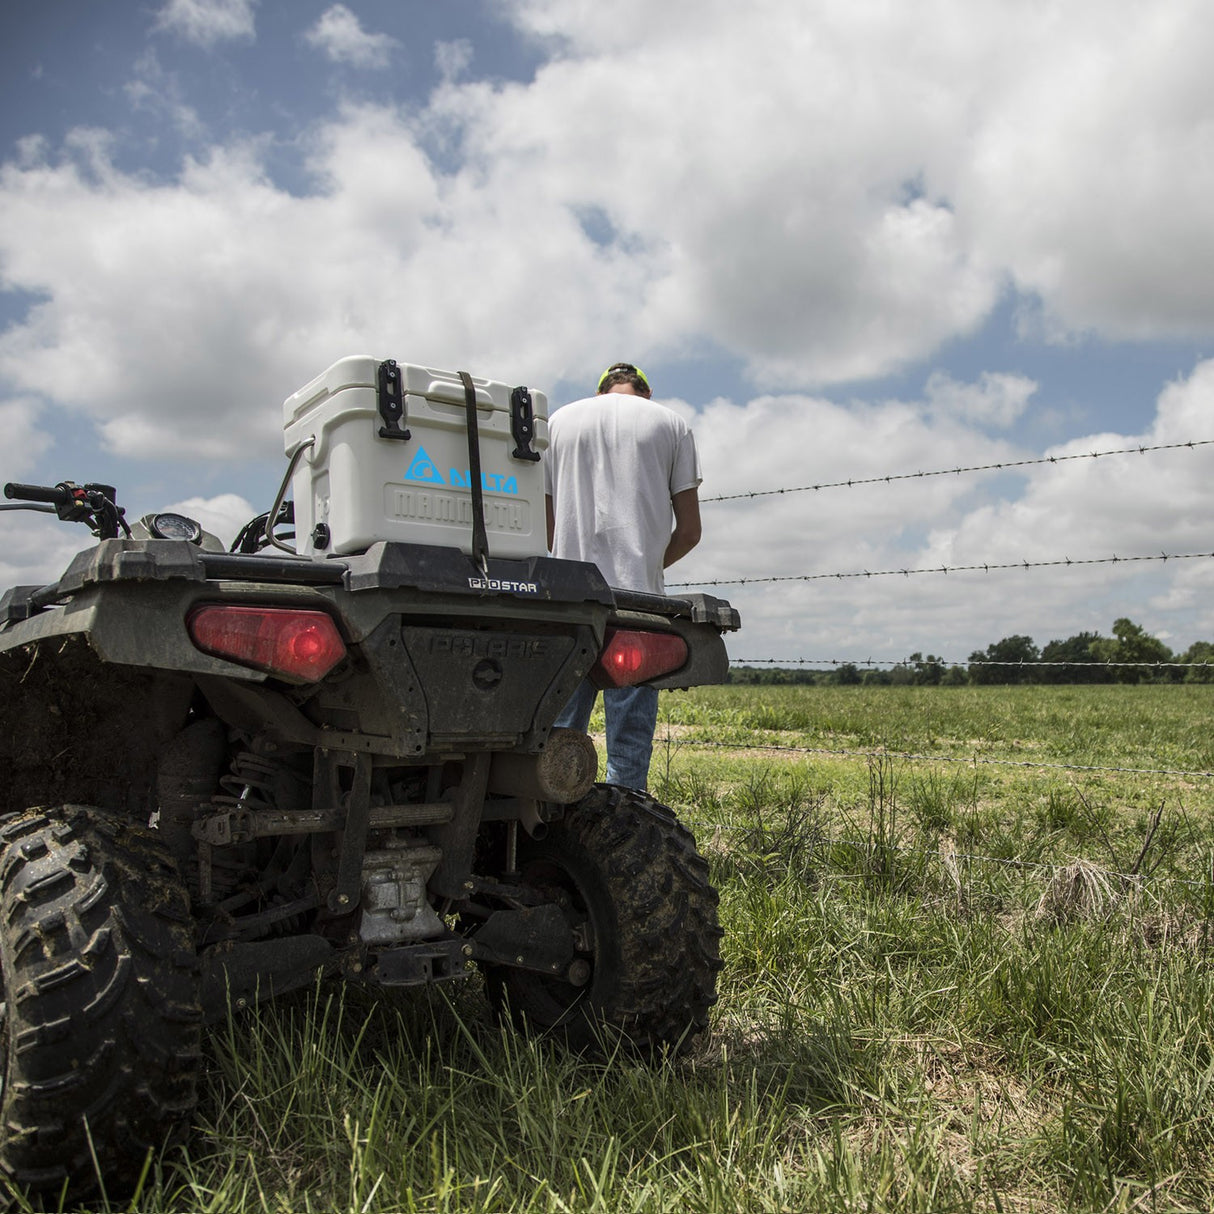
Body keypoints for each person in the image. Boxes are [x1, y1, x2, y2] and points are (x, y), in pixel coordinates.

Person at [544, 362, 703, 790]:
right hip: (637, 607)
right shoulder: (671, 424)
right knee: (628, 753)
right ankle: (623, 832)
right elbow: (690, 532)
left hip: (570, 601)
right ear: (646, 394)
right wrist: (648, 566)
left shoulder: (559, 422)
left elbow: (547, 526)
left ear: (599, 394)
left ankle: (547, 832)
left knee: (555, 740)